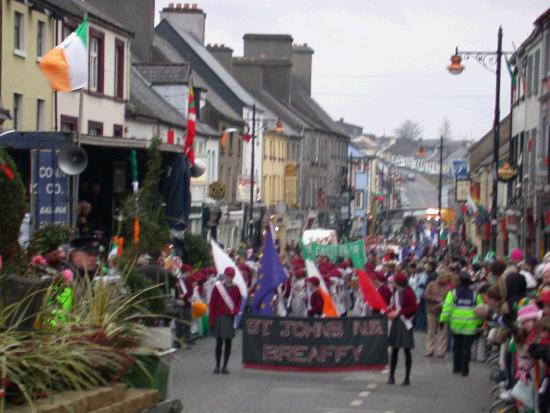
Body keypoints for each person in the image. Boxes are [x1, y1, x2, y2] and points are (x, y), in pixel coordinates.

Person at [439, 271, 483, 377]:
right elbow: (480, 310)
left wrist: (442, 320)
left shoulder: (452, 293)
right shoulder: (475, 294)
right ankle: (464, 369)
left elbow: (446, 308)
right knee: (466, 348)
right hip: (470, 325)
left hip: (456, 325)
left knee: (457, 347)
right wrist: (479, 323)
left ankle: (456, 368)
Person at [209, 267, 242, 374]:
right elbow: (212, 304)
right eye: (228, 275)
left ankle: (225, 366)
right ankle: (217, 365)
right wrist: (212, 321)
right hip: (219, 317)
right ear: (224, 275)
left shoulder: (236, 288)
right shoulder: (217, 287)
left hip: (229, 318)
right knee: (219, 342)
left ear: (233, 276)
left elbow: (238, 303)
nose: (229, 277)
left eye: (231, 275)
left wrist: (235, 311)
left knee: (228, 342)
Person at [387, 273, 418, 386]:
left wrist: (398, 312)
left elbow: (413, 308)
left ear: (398, 283)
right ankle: (391, 376)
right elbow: (394, 306)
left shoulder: (409, 293)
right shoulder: (396, 293)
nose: (392, 283)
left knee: (406, 351)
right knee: (394, 350)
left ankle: (407, 378)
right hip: (397, 323)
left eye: (394, 281)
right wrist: (390, 311)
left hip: (404, 323)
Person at [423, 273, 450, 357]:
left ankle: (441, 350)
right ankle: (429, 349)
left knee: (443, 332)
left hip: (443, 311)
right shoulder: (431, 284)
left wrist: (442, 302)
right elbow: (425, 295)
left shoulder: (447, 287)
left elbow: (449, 299)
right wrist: (436, 299)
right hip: (432, 310)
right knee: (431, 331)